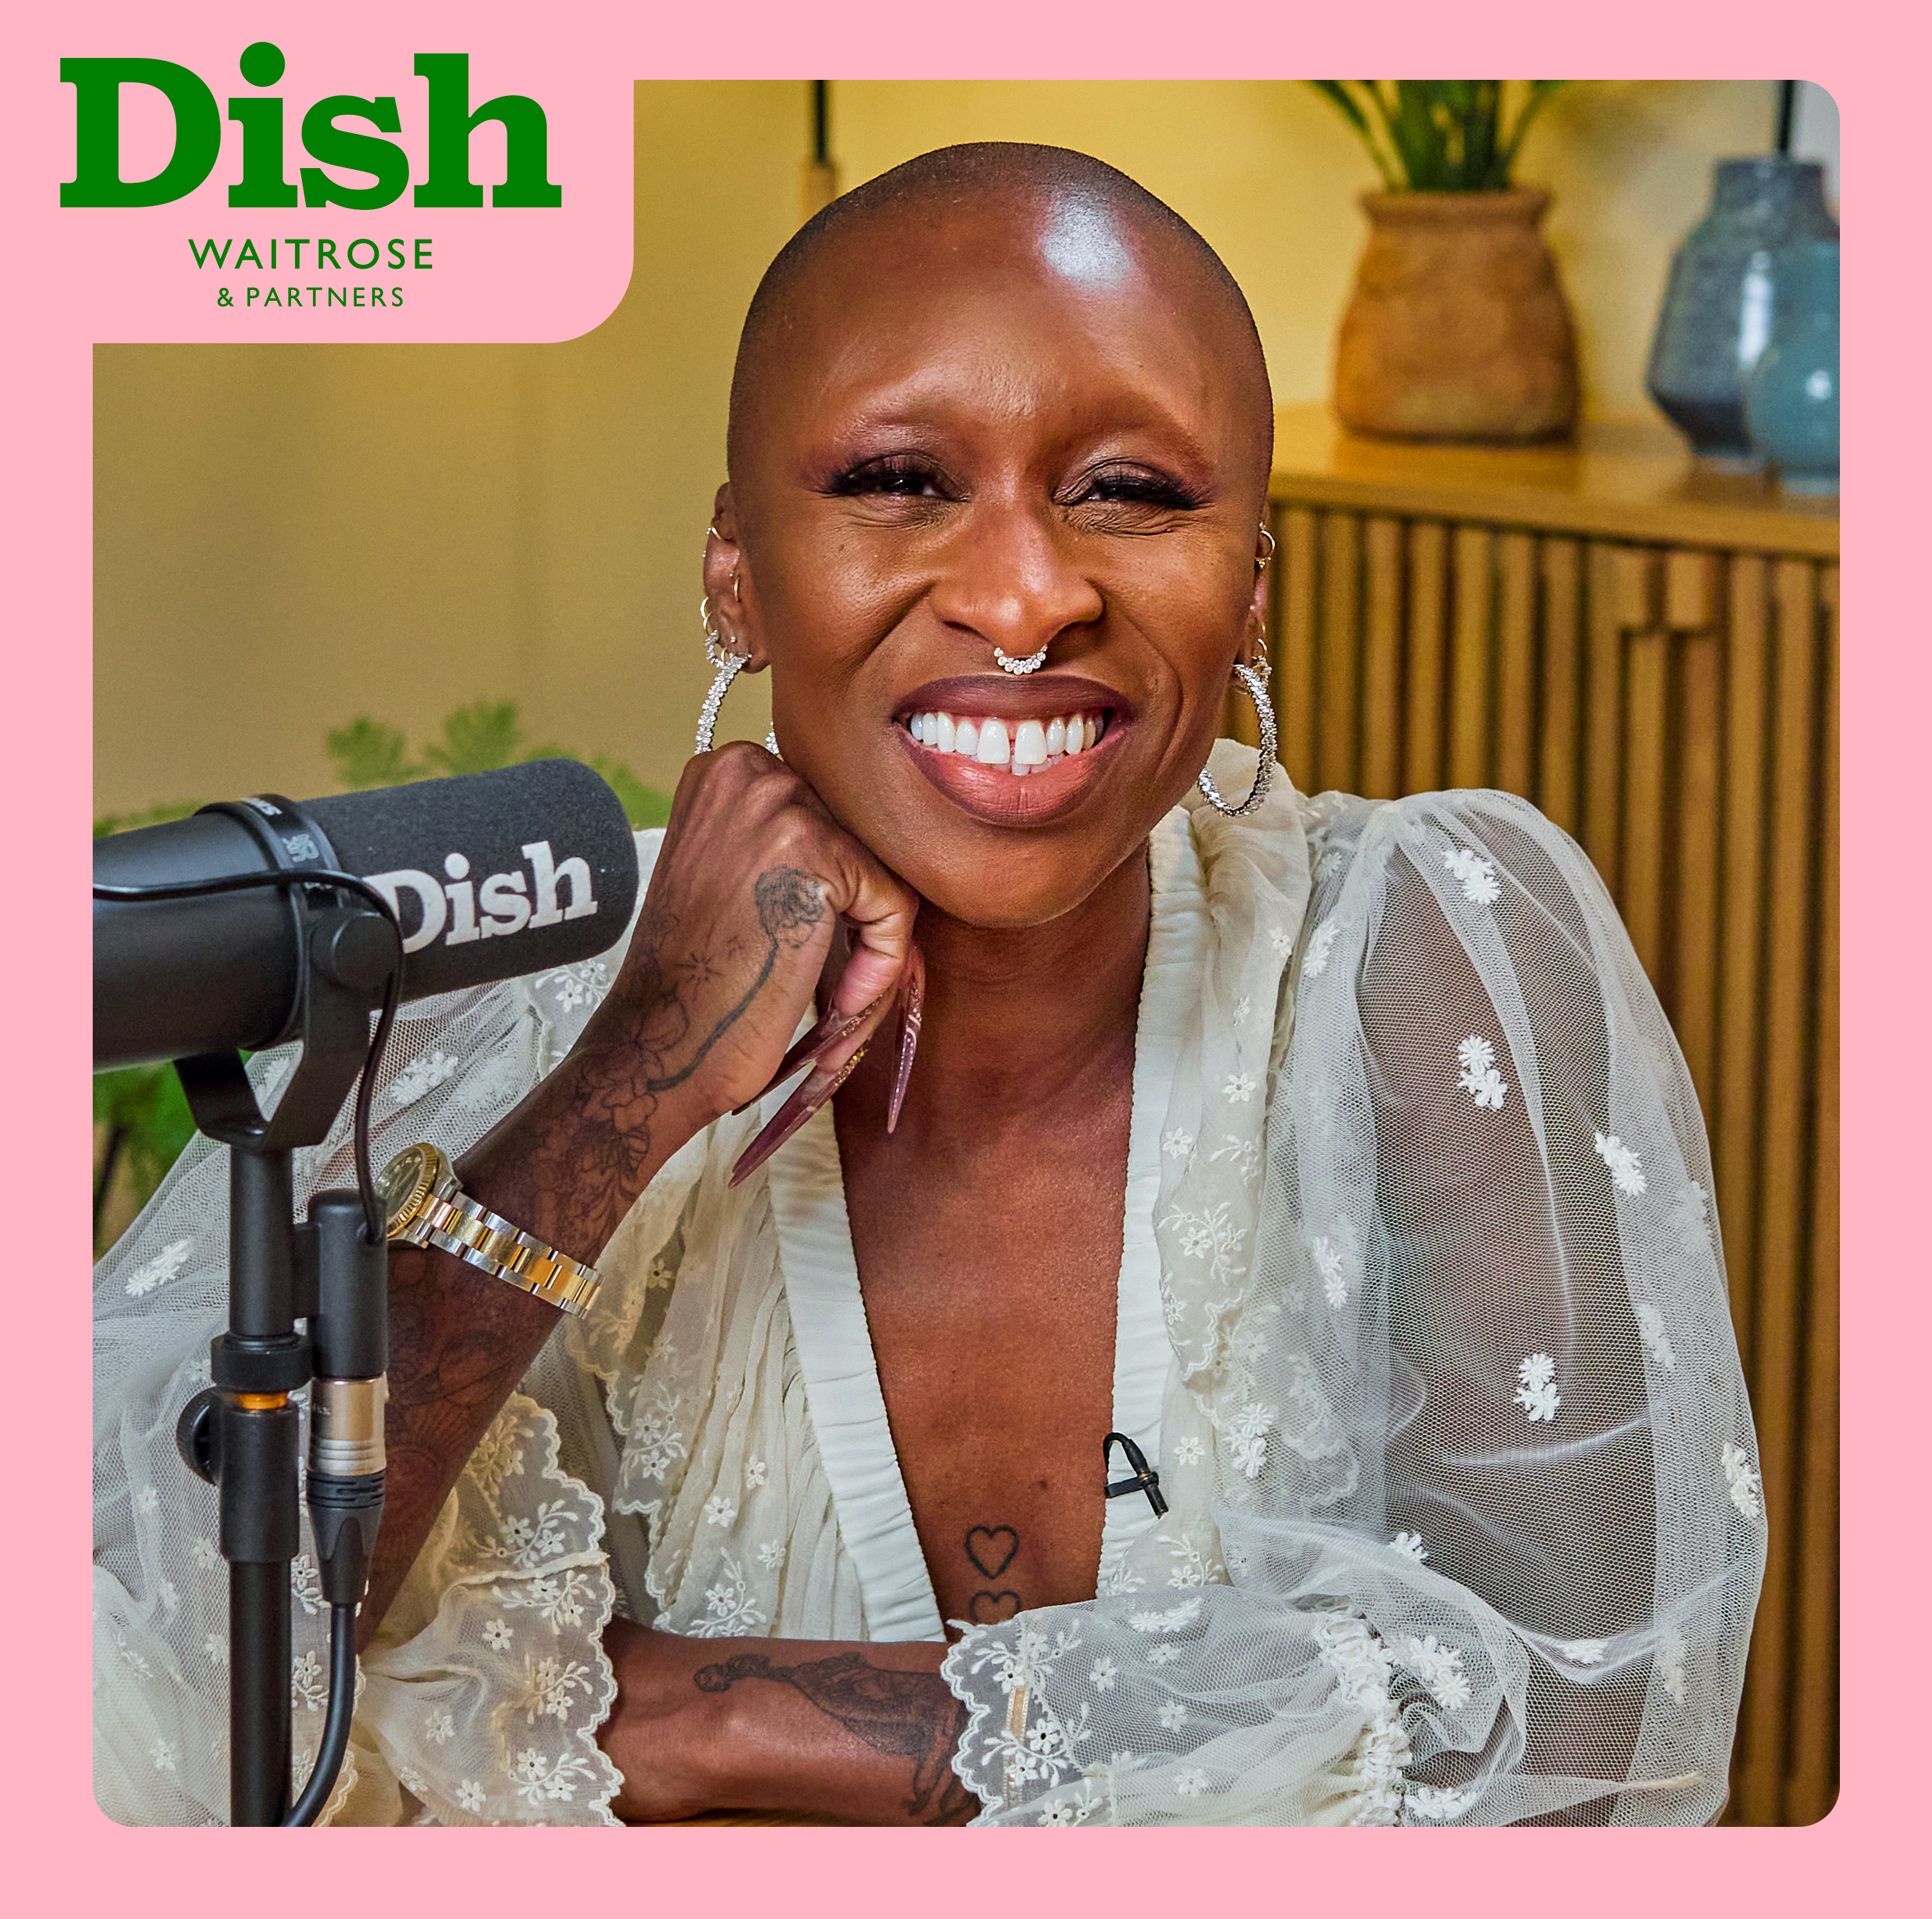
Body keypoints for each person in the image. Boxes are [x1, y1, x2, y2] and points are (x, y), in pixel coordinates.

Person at [93, 144, 1764, 1828]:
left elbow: (1574, 1739)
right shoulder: (544, 981)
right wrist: (638, 1071)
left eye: (1132, 490)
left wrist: (709, 1721)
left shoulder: (1421, 958)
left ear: (1253, 579)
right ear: (735, 573)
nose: (1029, 600)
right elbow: (194, 1657)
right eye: (899, 478)